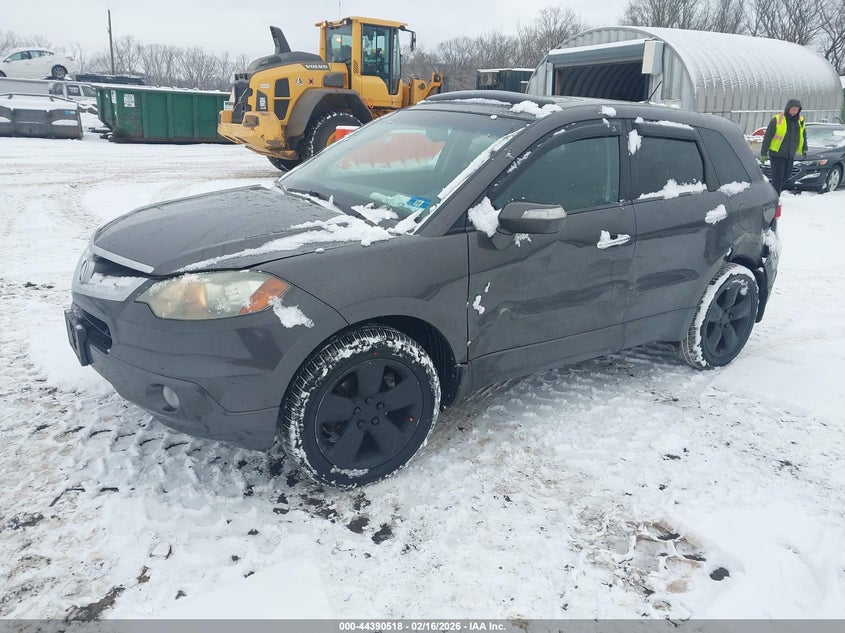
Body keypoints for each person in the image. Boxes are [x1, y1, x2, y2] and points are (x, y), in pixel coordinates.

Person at [760, 99, 808, 197]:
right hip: (777, 153)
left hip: (790, 154)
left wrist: (804, 148)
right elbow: (767, 137)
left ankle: (770, 191)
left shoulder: (800, 121)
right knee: (778, 177)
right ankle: (775, 198)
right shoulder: (777, 119)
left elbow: (803, 135)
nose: (795, 111)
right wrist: (763, 153)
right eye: (793, 109)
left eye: (797, 110)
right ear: (788, 108)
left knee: (786, 175)